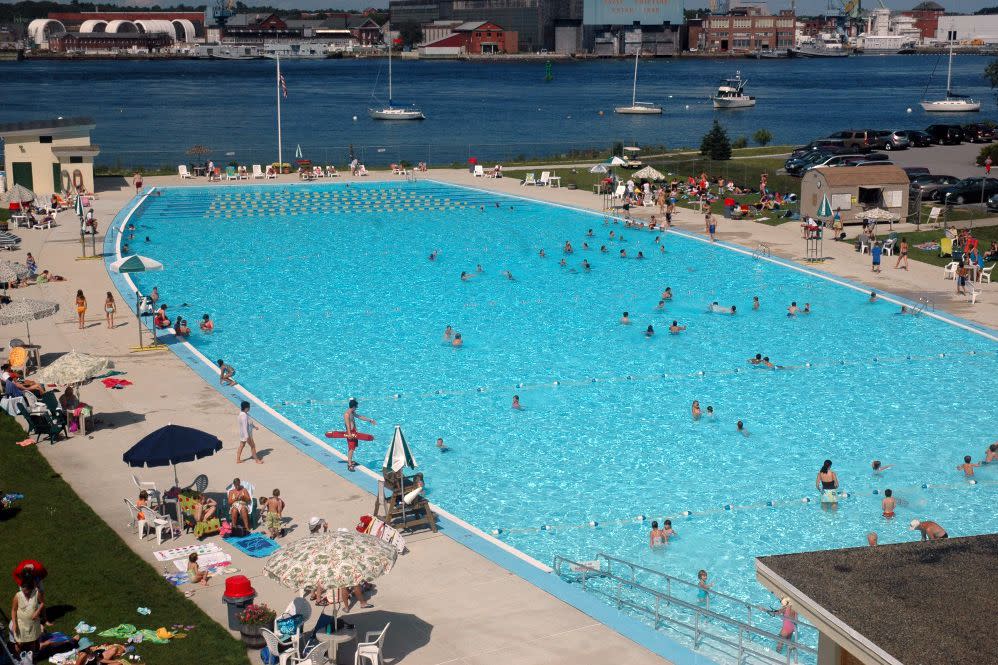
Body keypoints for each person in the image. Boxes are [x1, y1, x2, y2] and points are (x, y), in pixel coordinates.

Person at [11, 573, 44, 656]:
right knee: (19, 642)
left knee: (33, 640)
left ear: (31, 589)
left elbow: (42, 603)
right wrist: (15, 624)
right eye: (22, 589)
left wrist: (37, 612)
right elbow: (14, 610)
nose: (24, 592)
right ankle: (17, 657)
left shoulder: (36, 593)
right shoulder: (17, 596)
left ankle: (31, 657)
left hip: (33, 623)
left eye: (26, 591)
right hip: (21, 624)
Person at [343, 398, 376, 472]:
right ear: (354, 407)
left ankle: (350, 460)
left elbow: (360, 417)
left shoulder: (352, 413)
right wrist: (349, 434)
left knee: (353, 448)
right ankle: (349, 464)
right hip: (350, 433)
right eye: (356, 407)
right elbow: (347, 425)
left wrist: (370, 420)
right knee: (351, 448)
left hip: (354, 432)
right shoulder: (347, 414)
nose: (356, 408)